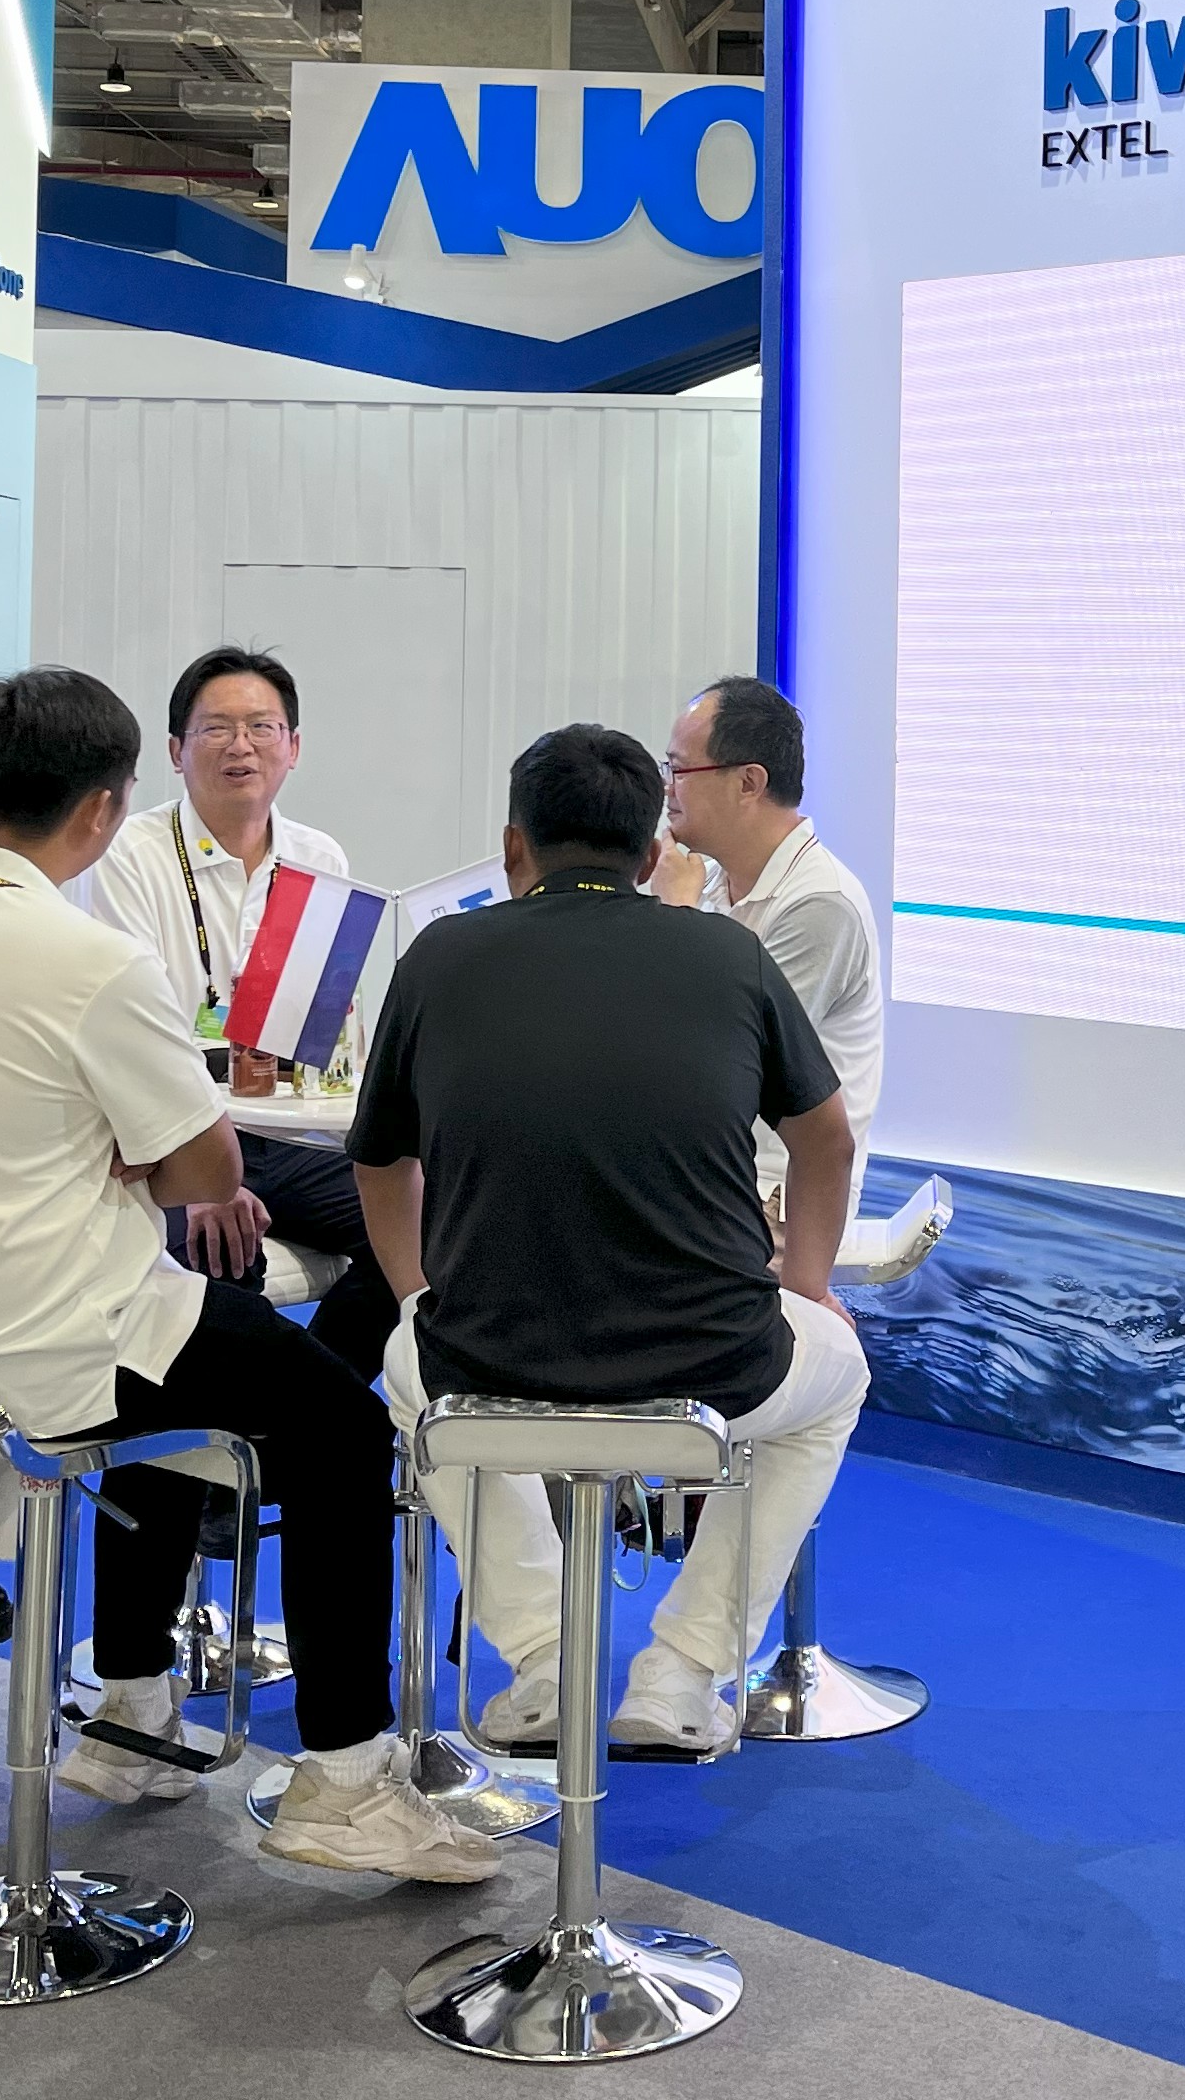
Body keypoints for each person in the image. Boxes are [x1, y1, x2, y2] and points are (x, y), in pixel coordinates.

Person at [0, 664, 491, 1881]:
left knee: (205, 1355)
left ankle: (131, 1711)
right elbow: (201, 1168)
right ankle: (346, 1783)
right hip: (54, 1338)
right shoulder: (83, 957)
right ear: (106, 807)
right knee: (343, 1429)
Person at [354, 722, 868, 1759]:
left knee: (413, 1367)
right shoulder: (729, 954)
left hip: (489, 1361)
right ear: (651, 853)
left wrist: (418, 1295)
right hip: (712, 1365)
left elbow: (378, 1164)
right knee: (838, 1376)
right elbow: (828, 1139)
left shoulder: (439, 956)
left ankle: (544, 1659)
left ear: (514, 847)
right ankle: (680, 1674)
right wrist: (808, 1287)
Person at [77, 645, 397, 1378]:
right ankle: (247, 1436)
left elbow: (317, 1031)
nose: (241, 746)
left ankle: (312, 1400)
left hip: (288, 1134)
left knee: (426, 1228)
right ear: (176, 750)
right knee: (221, 1262)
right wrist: (208, 1179)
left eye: (261, 727)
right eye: (216, 728)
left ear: (293, 747)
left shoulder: (320, 858)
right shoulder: (131, 854)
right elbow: (133, 1039)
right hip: (171, 1139)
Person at [659, 675, 882, 1234]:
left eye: (680, 771)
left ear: (748, 783)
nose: (667, 789)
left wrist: (675, 917)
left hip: (770, 1200)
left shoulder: (819, 903)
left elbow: (718, 1063)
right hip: (710, 1179)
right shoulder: (710, 880)